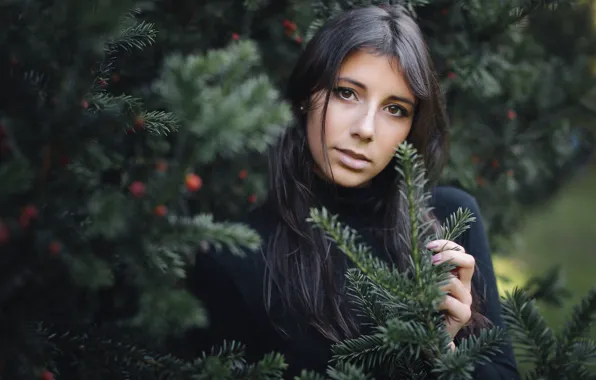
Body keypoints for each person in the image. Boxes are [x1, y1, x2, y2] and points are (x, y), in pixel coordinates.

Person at [181, 5, 520, 379]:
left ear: (412, 127)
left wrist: (444, 353)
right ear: (306, 95)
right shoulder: (235, 259)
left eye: (395, 108)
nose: (366, 128)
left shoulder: (449, 225)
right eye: (346, 93)